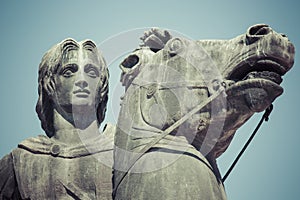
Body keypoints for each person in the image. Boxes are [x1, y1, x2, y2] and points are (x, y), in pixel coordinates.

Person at [0, 38, 114, 199]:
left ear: (102, 87)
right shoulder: (18, 163)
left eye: (92, 72)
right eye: (69, 72)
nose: (82, 80)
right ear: (49, 83)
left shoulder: (124, 155)